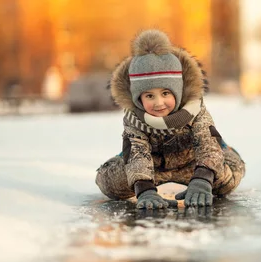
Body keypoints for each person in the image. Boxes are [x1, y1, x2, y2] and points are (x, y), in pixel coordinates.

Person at [95, 29, 245, 209]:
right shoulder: (135, 118)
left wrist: (203, 179)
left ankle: (214, 168)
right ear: (138, 99)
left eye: (165, 93)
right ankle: (141, 182)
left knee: (229, 175)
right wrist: (144, 190)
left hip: (193, 164)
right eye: (149, 96)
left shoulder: (194, 110)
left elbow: (207, 142)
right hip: (153, 168)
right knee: (108, 180)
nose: (159, 103)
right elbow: (137, 152)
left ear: (178, 91)